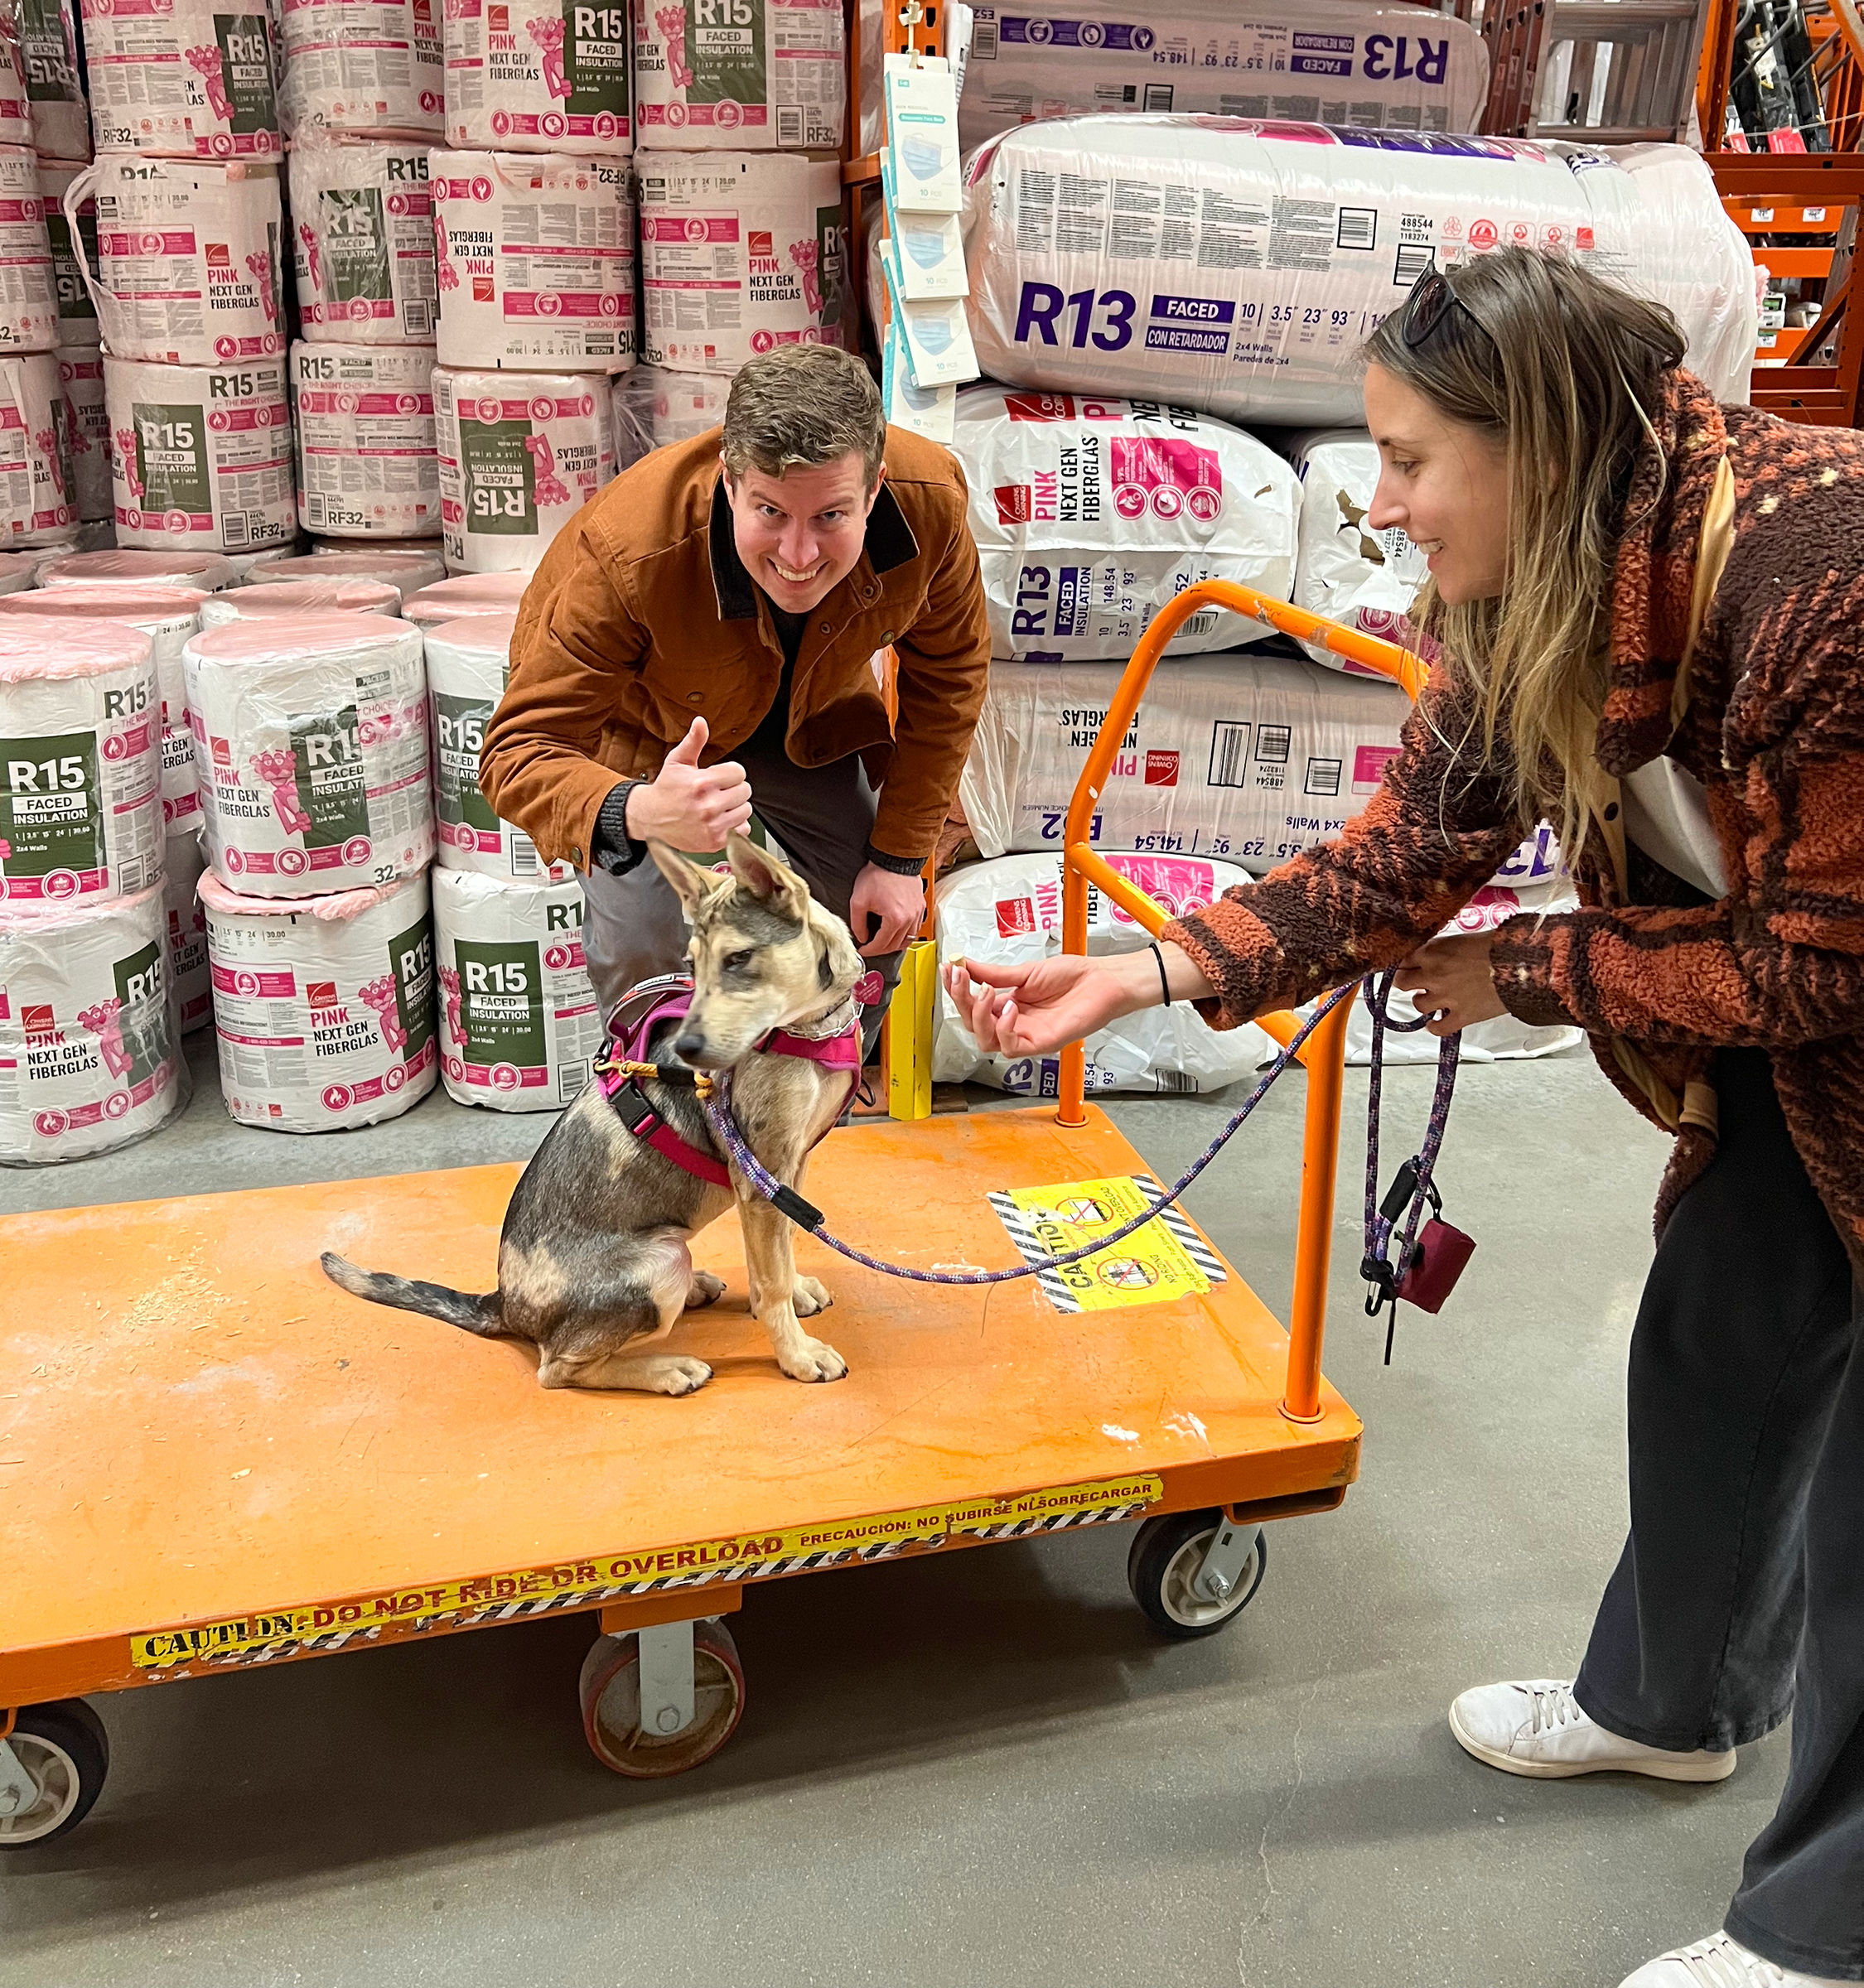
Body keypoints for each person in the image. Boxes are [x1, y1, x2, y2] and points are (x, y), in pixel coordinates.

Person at [946, 248, 1864, 1988]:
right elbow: (1406, 847)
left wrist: (1534, 967)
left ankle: (1830, 1926)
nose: (1385, 502)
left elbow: (1824, 970)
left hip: (1834, 993)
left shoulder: (1824, 571)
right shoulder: (1550, 575)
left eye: (1416, 458)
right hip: (1800, 1045)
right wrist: (1144, 976)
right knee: (1716, 1355)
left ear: (1546, 443)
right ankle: (1675, 1706)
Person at [480, 345, 991, 1038]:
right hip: (647, 734)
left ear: (874, 491)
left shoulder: (931, 504)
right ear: (729, 481)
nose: (799, 555)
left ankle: (806, 1114)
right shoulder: (630, 553)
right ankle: (670, 1129)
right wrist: (638, 809)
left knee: (867, 923)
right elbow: (518, 752)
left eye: (832, 517)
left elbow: (950, 677)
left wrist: (901, 856)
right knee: (649, 953)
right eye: (772, 513)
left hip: (804, 725)